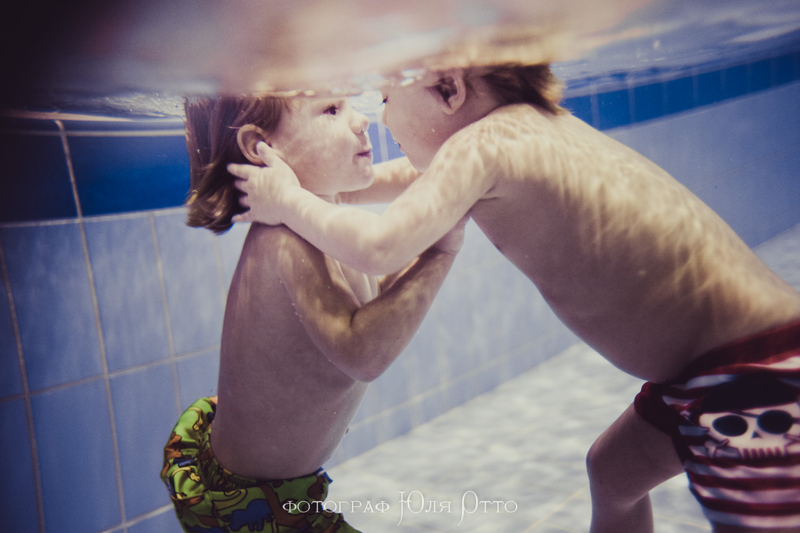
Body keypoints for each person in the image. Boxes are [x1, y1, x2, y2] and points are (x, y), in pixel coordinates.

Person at [226, 64, 800, 532]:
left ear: (448, 89)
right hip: (709, 369)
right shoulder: (524, 129)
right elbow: (411, 176)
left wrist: (289, 203)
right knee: (612, 474)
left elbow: (378, 247)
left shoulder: (483, 146)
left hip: (750, 372)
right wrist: (314, 182)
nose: (380, 117)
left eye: (384, 98)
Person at [159, 93, 465, 533]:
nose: (361, 120)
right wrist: (440, 253)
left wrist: (463, 168)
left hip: (274, 485)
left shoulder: (320, 212)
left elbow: (371, 300)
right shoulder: (284, 239)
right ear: (261, 147)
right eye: (332, 110)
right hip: (245, 502)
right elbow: (362, 352)